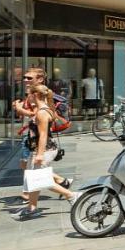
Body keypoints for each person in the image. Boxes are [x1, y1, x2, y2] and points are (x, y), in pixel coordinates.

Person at [20, 84, 78, 219]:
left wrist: (39, 154)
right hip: (42, 148)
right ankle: (31, 207)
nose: (27, 97)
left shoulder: (42, 113)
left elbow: (43, 135)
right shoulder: (46, 109)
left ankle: (72, 195)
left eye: (28, 94)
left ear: (35, 95)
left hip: (44, 150)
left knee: (39, 180)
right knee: (32, 178)